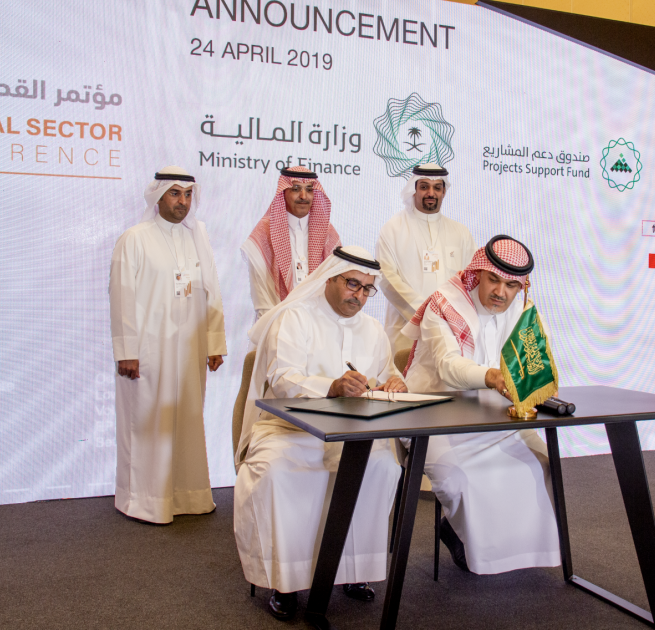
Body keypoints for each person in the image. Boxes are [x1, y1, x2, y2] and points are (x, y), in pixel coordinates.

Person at [234, 246, 405, 621]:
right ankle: (284, 583)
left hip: (352, 435)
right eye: (352, 284)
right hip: (289, 429)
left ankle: (354, 571)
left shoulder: (373, 329)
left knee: (383, 467)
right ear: (330, 278)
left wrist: (395, 382)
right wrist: (331, 387)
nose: (359, 296)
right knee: (277, 472)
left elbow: (385, 375)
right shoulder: (294, 318)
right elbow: (282, 379)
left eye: (367, 289)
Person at [401, 236, 562, 574]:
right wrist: (491, 377)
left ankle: (504, 549)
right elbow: (448, 366)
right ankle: (460, 531)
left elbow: (533, 362)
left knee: (541, 463)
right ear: (479, 273)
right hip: (430, 413)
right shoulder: (444, 304)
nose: (501, 292)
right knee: (455, 479)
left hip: (492, 413)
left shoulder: (522, 308)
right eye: (494, 280)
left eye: (511, 285)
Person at [109, 166, 227, 524]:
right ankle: (143, 500)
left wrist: (214, 343)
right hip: (149, 350)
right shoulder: (135, 238)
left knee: (187, 422)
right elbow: (122, 297)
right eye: (175, 193)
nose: (183, 202)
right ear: (157, 196)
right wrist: (127, 351)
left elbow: (211, 293)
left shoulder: (197, 237)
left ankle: (188, 496)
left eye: (188, 195)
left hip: (189, 349)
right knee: (147, 423)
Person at [376, 163, 476, 351]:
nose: (431, 193)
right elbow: (387, 278)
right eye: (424, 187)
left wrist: (451, 318)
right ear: (414, 190)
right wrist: (427, 313)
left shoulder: (460, 232)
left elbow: (472, 279)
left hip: (450, 332)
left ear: (444, 192)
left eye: (437, 188)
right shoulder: (393, 229)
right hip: (405, 331)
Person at [242, 166, 341, 321]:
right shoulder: (265, 232)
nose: (303, 196)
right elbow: (262, 295)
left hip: (319, 323)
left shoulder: (327, 232)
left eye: (309, 190)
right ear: (283, 192)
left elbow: (336, 282)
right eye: (296, 189)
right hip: (277, 322)